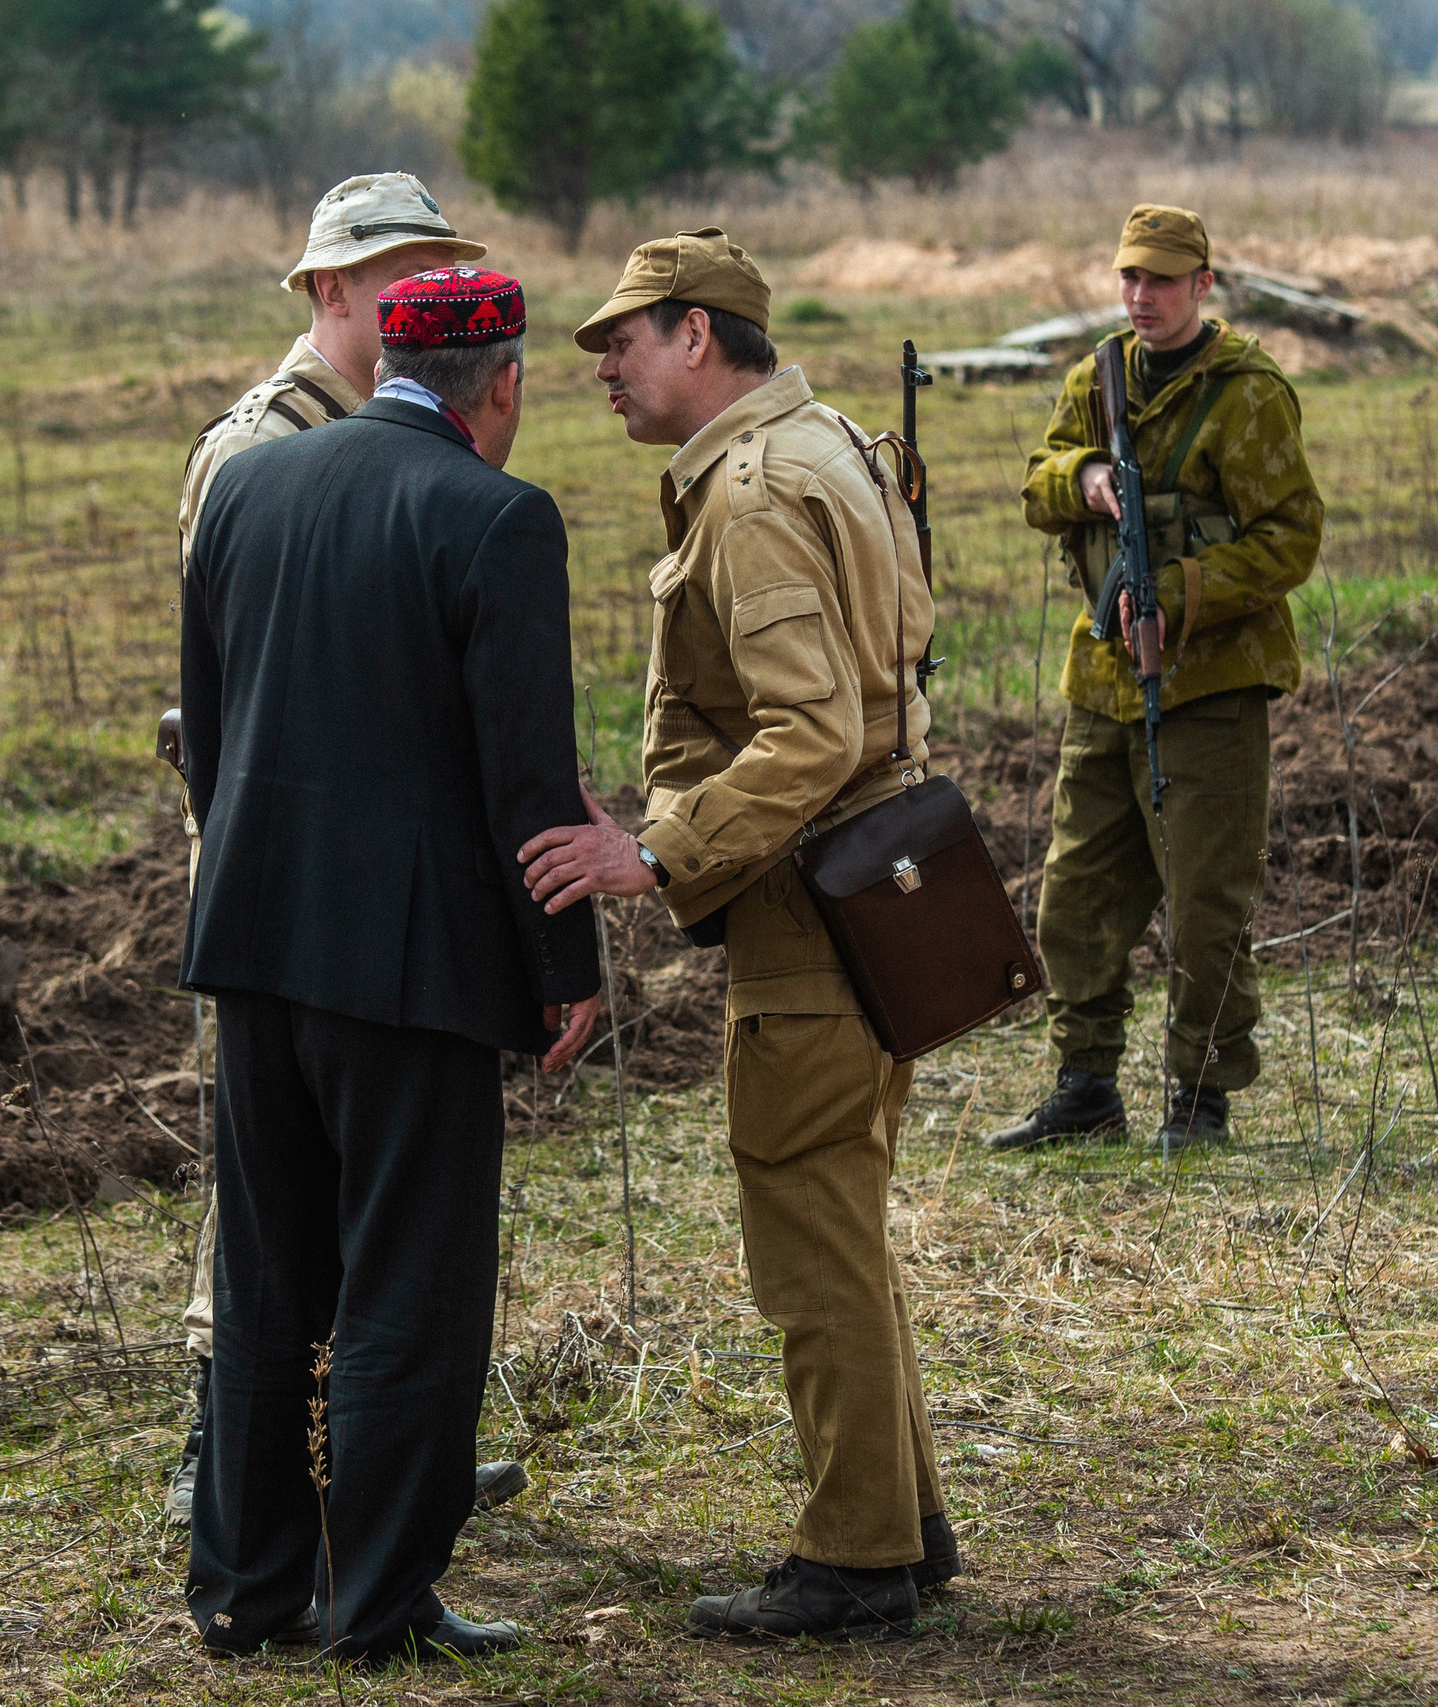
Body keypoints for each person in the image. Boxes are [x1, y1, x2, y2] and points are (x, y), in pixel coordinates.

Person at [521, 228, 960, 1641]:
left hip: (810, 917)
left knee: (811, 1238)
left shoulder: (757, 486)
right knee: (847, 1220)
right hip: (873, 889)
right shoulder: (828, 440)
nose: (603, 367)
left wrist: (656, 849)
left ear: (699, 334)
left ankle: (854, 1557)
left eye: (624, 339)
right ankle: (905, 1518)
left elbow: (814, 727)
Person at [181, 267, 602, 1664]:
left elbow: (215, 717)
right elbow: (532, 781)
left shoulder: (246, 489)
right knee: (409, 1288)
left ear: (386, 368)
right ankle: (381, 1602)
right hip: (413, 970)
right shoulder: (496, 516)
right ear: (507, 382)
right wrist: (568, 965)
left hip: (253, 944)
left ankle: (246, 1589)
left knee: (267, 1275)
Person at [164, 171, 529, 1528]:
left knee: (366, 1211)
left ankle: (376, 1459)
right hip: (293, 874)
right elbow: (227, 688)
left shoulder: (395, 431)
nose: (418, 295)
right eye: (393, 277)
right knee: (272, 1220)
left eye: (435, 270)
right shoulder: (260, 445)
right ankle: (237, 1471)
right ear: (326, 292)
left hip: (364, 873)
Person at [992, 204, 1324, 1155]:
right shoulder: (1095, 380)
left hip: (1211, 685)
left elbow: (1292, 537)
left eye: (1162, 281)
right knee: (1076, 894)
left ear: (1203, 285)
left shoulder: (1248, 393)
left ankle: (1200, 1096)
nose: (1141, 298)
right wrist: (1088, 476)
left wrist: (1184, 590)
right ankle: (1086, 1084)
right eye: (1130, 278)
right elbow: (1035, 482)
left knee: (1207, 902)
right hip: (1103, 679)